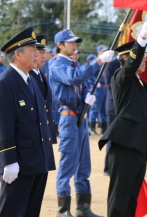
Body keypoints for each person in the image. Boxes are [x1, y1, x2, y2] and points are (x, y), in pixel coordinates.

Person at [98, 20, 147, 217]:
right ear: (126, 59)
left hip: (138, 144)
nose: (144, 61)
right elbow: (132, 65)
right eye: (141, 58)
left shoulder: (141, 85)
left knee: (132, 195)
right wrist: (141, 38)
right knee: (120, 194)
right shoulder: (120, 77)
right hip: (125, 144)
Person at [49, 29, 114, 217]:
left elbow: (84, 83)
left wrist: (87, 95)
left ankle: (83, 207)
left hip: (81, 118)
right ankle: (63, 210)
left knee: (83, 165)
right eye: (70, 42)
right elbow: (73, 78)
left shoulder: (73, 64)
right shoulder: (57, 65)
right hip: (69, 118)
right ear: (60, 45)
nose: (74, 45)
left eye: (75, 42)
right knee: (68, 164)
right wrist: (99, 61)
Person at [0, 27, 55, 216]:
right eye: (32, 50)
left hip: (37, 160)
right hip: (19, 162)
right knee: (13, 212)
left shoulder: (31, 80)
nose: (37, 55)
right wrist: (9, 160)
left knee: (30, 212)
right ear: (18, 54)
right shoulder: (5, 82)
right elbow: (2, 124)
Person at [30, 34, 58, 143]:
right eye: (40, 52)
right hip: (35, 134)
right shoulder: (28, 76)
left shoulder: (40, 74)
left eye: (44, 52)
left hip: (45, 132)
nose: (43, 56)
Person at [102, 54, 120, 176]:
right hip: (114, 106)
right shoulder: (112, 64)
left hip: (125, 107)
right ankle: (108, 167)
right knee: (112, 138)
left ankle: (121, 166)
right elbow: (110, 85)